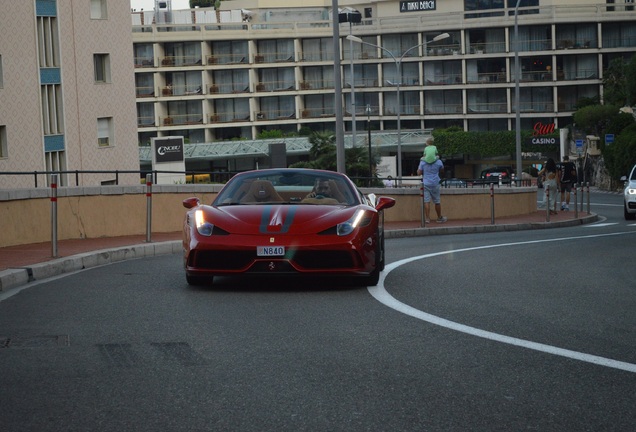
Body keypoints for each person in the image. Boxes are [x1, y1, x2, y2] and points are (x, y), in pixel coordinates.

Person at [417, 155, 447, 224]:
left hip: (426, 183)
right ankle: (439, 217)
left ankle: (427, 218)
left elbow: (419, 173)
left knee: (426, 201)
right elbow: (442, 170)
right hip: (435, 183)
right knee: (437, 201)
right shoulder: (439, 161)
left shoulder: (423, 162)